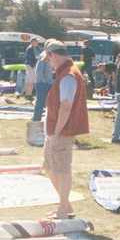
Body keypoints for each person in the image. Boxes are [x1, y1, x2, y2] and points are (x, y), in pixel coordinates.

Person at [42, 39, 88, 220]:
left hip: (61, 132)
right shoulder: (65, 73)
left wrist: (56, 131)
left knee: (61, 170)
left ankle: (63, 210)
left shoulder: (68, 75)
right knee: (50, 168)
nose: (50, 64)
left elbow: (66, 106)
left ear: (54, 55)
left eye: (49, 59)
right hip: (55, 131)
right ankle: (65, 206)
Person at [33, 47, 54, 122]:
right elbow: (38, 70)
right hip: (42, 83)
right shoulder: (43, 56)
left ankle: (49, 118)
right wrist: (42, 79)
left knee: (50, 102)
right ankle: (36, 119)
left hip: (49, 82)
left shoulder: (51, 55)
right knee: (40, 102)